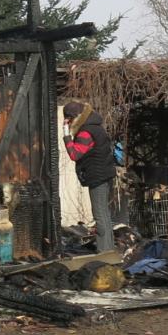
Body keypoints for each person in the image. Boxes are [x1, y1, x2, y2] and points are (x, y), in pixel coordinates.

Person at [62, 100, 117, 253]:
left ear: (73, 118)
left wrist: (66, 135)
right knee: (104, 214)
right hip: (105, 175)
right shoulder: (96, 128)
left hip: (97, 177)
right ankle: (109, 249)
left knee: (99, 215)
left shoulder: (86, 132)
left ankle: (104, 251)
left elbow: (74, 154)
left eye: (68, 119)